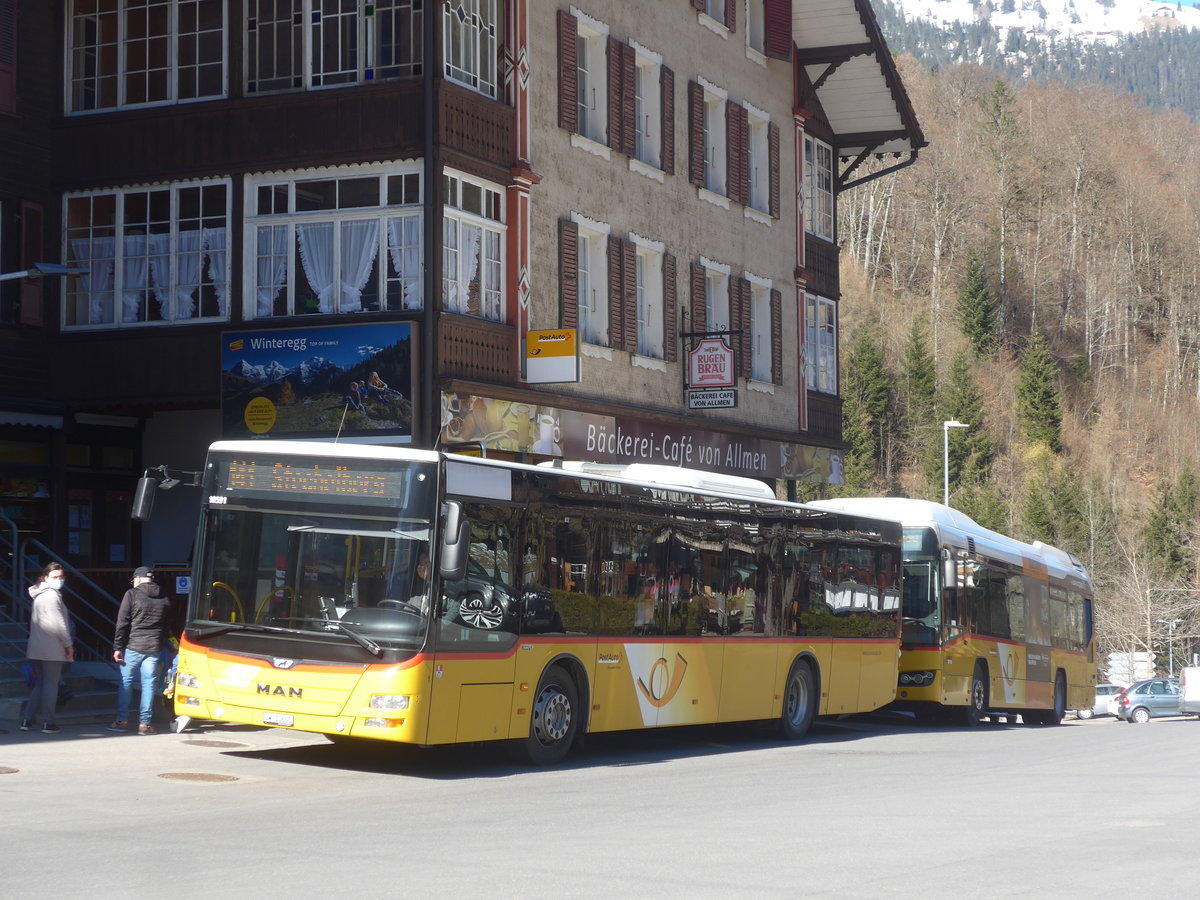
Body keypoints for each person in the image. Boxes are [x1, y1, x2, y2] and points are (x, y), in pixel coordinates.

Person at [109, 565, 171, 735]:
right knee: (149, 685)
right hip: (154, 647)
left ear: (137, 578)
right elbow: (166, 623)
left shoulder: (132, 594)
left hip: (133, 646)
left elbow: (122, 622)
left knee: (126, 682)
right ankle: (144, 724)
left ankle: (122, 721)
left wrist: (117, 647)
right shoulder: (164, 595)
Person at [20, 561, 75, 734]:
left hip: (37, 646)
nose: (59, 580)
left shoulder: (39, 594)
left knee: (39, 684)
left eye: (61, 576)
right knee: (51, 685)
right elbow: (59, 624)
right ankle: (48, 722)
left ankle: (27, 720)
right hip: (52, 646)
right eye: (55, 577)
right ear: (45, 577)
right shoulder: (52, 595)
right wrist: (68, 644)